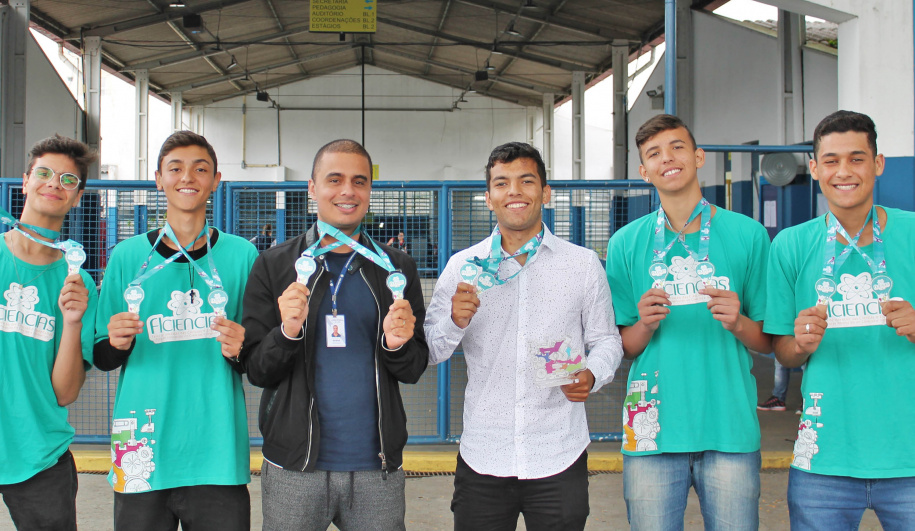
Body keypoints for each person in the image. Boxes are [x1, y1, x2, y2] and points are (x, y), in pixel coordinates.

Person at [424, 142, 623, 531]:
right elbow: (431, 349)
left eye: (526, 180)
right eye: (502, 183)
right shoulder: (462, 267)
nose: (514, 191)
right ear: (488, 198)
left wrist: (592, 374)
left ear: (545, 193)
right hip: (484, 453)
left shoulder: (581, 264)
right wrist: (454, 321)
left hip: (558, 452)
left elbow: (607, 340)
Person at [242, 139, 428, 531]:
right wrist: (288, 332)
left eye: (359, 181)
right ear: (312, 188)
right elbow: (257, 370)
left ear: (369, 191)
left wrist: (397, 345)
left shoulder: (397, 269)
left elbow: (413, 368)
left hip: (377, 466)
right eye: (335, 179)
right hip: (294, 464)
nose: (348, 191)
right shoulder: (276, 266)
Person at [606, 115, 771, 530]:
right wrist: (643, 324)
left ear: (698, 157)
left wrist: (739, 323)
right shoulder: (626, 243)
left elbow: (770, 341)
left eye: (678, 147)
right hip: (651, 430)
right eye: (654, 154)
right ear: (644, 172)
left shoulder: (748, 234)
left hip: (729, 426)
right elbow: (624, 345)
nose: (668, 159)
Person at [93, 131, 257, 529]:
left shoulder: (242, 255)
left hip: (217, 451)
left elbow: (256, 360)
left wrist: (241, 349)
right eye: (176, 168)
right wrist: (116, 342)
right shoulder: (127, 256)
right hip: (140, 450)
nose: (188, 177)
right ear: (158, 178)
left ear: (216, 180)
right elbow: (100, 356)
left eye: (201, 169)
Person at [765, 110, 915, 529]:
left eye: (856, 158)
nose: (843, 172)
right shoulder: (791, 246)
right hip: (823, 461)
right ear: (814, 168)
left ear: (878, 164)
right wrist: (800, 344)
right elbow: (783, 351)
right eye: (831, 161)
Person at [0, 135, 98, 529]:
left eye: (67, 180)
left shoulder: (77, 282)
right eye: (44, 173)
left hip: (39, 453)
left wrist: (72, 322)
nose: (54, 183)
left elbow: (65, 392)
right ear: (25, 182)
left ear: (77, 197)